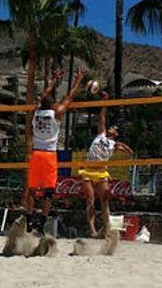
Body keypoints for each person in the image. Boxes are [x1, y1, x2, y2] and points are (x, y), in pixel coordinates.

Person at [24, 66, 88, 234]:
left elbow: (44, 96)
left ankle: (29, 220)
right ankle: (41, 221)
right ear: (52, 104)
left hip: (36, 153)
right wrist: (78, 80)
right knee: (48, 192)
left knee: (31, 190)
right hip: (50, 155)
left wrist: (53, 81)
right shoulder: (56, 113)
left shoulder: (35, 113)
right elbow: (69, 97)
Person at [77, 91, 133, 238]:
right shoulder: (101, 134)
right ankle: (92, 230)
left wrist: (124, 147)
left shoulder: (115, 144)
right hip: (88, 169)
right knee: (90, 200)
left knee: (105, 200)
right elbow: (102, 117)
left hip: (102, 171)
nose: (111, 128)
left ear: (117, 133)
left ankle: (107, 230)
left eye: (114, 128)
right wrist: (105, 101)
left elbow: (130, 151)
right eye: (111, 127)